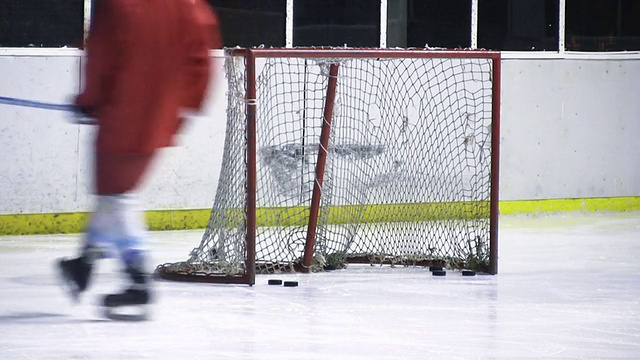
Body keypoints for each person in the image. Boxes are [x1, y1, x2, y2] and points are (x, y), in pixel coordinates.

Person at [57, 0, 222, 308]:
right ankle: (84, 263)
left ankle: (137, 280)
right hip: (162, 117)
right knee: (117, 193)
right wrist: (186, 105)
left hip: (120, 115)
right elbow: (201, 60)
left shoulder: (118, 4)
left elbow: (101, 54)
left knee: (115, 196)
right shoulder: (189, 6)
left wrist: (88, 99)